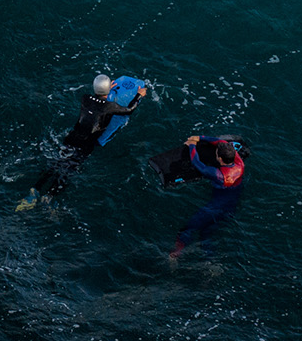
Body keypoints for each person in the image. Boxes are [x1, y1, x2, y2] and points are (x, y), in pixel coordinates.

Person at [16, 73, 149, 209]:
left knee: (55, 165)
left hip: (71, 138)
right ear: (108, 89)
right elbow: (129, 110)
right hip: (85, 145)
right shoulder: (110, 107)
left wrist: (106, 88)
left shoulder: (85, 98)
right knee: (68, 171)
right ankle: (48, 197)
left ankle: (35, 190)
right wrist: (139, 95)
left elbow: (98, 101)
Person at [169, 136, 245, 259]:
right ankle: (210, 262)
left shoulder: (217, 174)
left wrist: (192, 144)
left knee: (187, 230)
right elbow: (222, 142)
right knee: (205, 233)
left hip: (214, 209)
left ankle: (174, 255)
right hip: (230, 208)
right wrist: (200, 137)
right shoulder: (240, 164)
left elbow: (197, 163)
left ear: (219, 158)